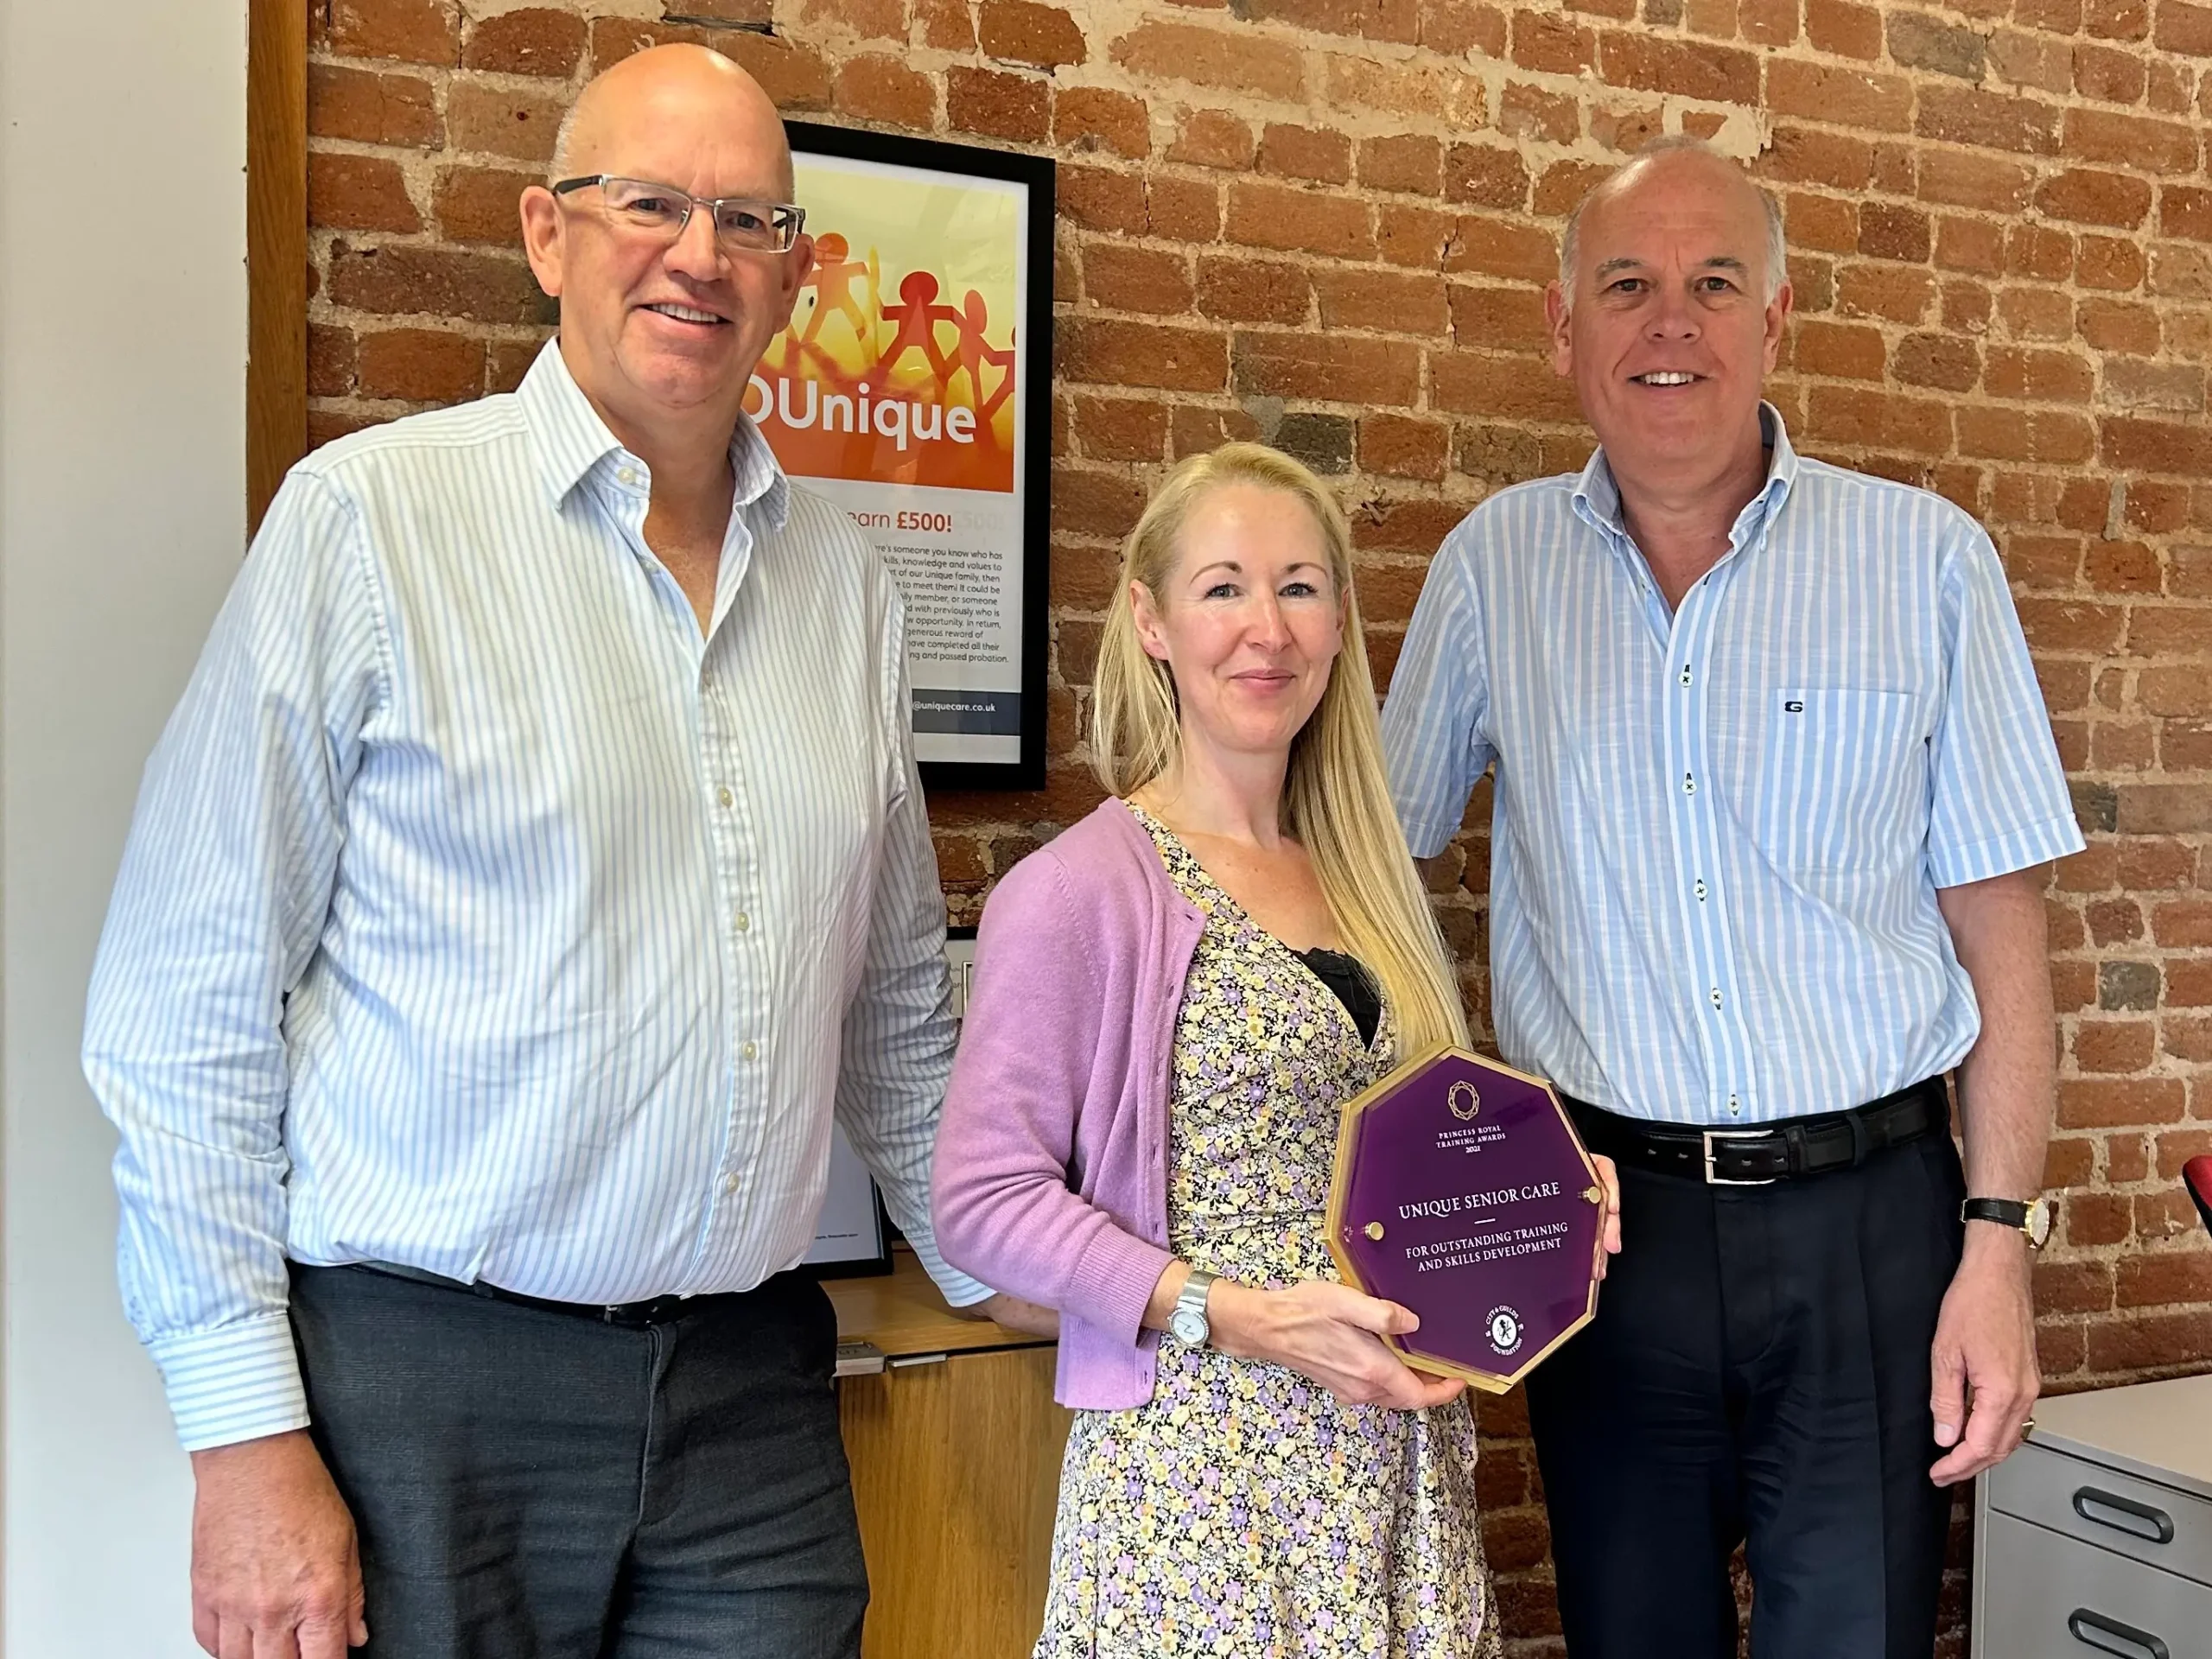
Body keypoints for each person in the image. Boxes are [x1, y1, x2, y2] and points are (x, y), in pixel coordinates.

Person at [82, 44, 1032, 1659]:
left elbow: (890, 1022)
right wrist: (243, 1437)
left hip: (749, 1392)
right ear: (547, 236)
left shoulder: (848, 593)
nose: (701, 253)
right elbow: (185, 1010)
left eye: (749, 218)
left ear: (797, 273)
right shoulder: (369, 524)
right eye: (650, 202)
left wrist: (1036, 1276)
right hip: (426, 1388)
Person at [1382, 136, 2082, 1658]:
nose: (1671, 325)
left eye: (1714, 285)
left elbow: (2005, 952)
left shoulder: (1928, 564)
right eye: (1627, 287)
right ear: (1563, 329)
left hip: (1875, 1234)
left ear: (1779, 319)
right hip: (1604, 1235)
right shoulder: (1492, 571)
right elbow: (1373, 874)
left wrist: (1999, 1241)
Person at [932, 442, 1623, 1659]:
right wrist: (1229, 1312)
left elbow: (1426, 1149)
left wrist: (1556, 1196)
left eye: (1300, 587)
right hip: (1204, 1483)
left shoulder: (1365, 877)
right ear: (1150, 620)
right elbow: (983, 1205)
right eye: (1224, 588)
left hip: (1396, 1467)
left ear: (1341, 621)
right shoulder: (1083, 889)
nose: (1268, 628)